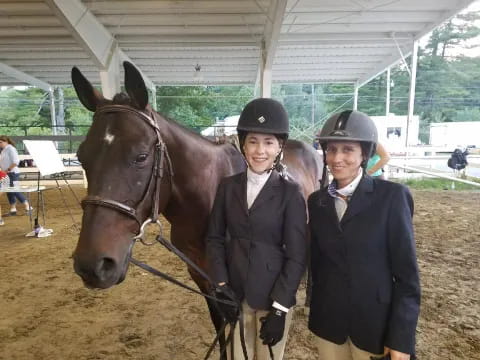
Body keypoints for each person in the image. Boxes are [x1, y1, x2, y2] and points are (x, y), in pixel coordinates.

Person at [307, 110, 421, 360]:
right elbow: (317, 263)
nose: (337, 158)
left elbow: (407, 277)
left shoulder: (392, 197)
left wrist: (401, 337)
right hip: (329, 324)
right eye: (331, 149)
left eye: (347, 149)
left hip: (375, 327)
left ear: (364, 154)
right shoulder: (317, 202)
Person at [206, 98, 307, 360]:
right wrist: (220, 285)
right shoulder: (227, 187)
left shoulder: (291, 193)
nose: (259, 150)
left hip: (272, 296)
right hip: (235, 294)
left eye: (268, 142)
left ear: (279, 146)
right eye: (253, 141)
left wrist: (280, 308)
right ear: (243, 144)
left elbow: (297, 255)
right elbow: (214, 237)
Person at [0, 136, 32, 215]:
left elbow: (16, 161)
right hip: (7, 174)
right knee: (9, 191)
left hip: (13, 173)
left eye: (0, 142)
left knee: (15, 190)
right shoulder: (4, 150)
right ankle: (13, 209)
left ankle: (28, 207)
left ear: (6, 141)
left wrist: (8, 170)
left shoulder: (11, 149)